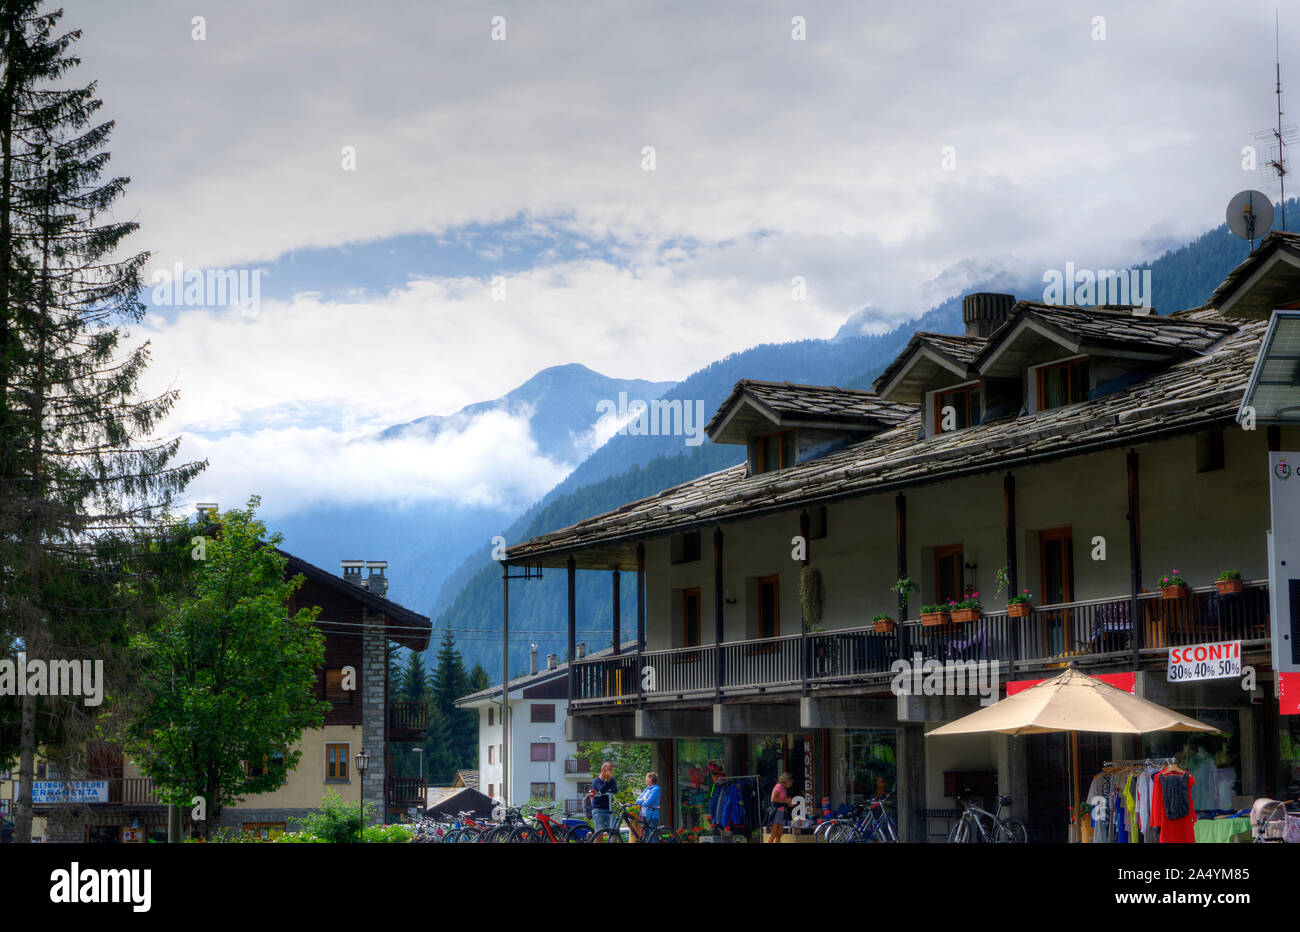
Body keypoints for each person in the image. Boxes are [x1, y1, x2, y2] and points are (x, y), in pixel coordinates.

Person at [588, 761, 617, 832]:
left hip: (609, 809)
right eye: (609, 769)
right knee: (599, 833)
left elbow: (615, 790)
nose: (610, 772)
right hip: (598, 809)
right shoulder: (596, 781)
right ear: (603, 770)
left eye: (611, 770)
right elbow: (601, 791)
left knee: (615, 831)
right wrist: (607, 782)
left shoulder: (612, 780)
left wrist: (608, 786)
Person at [767, 772, 794, 843]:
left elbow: (782, 801)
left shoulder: (784, 788)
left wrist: (789, 803)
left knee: (779, 834)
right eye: (791, 782)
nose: (791, 784)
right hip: (777, 812)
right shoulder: (779, 786)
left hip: (782, 812)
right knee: (773, 834)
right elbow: (773, 799)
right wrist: (786, 801)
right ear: (787, 780)